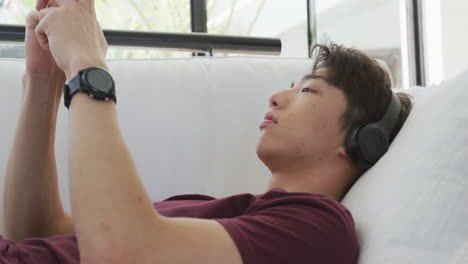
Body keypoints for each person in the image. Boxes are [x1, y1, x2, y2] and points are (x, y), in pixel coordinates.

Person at [0, 0, 412, 263]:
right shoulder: (206, 211)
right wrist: (44, 79)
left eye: (307, 89)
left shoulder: (319, 230)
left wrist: (87, 64)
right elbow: (34, 229)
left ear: (361, 140)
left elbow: (119, 253)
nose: (275, 97)